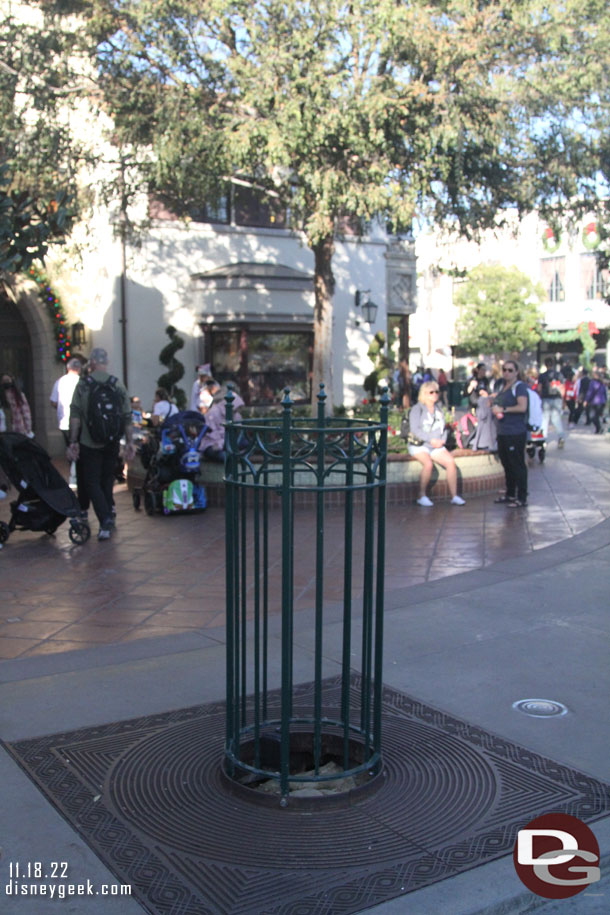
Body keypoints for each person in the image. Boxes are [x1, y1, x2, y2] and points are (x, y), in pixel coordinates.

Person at [66, 348, 135, 540]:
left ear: (92, 363)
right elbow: (127, 416)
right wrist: (130, 442)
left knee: (90, 482)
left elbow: (75, 417)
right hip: (112, 441)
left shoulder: (83, 385)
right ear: (106, 363)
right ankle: (108, 515)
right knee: (106, 479)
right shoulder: (117, 384)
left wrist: (73, 441)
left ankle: (105, 519)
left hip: (90, 442)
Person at [408, 380, 465, 507]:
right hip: (420, 444)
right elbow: (415, 429)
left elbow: (443, 428)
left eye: (436, 392)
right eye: (431, 392)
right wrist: (430, 440)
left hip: (436, 445)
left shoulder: (439, 409)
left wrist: (442, 440)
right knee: (428, 464)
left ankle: (454, 496)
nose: (434, 394)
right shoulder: (417, 409)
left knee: (450, 462)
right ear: (424, 393)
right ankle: (421, 496)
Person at [490, 360, 529, 507]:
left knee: (517, 463)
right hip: (503, 431)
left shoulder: (520, 387)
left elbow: (522, 407)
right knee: (507, 463)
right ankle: (510, 493)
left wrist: (504, 410)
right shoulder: (502, 386)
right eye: (504, 369)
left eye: (510, 370)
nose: (506, 372)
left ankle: (522, 496)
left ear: (517, 372)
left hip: (515, 431)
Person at [50, 357, 83, 487]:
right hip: (79, 421)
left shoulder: (60, 382)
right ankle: (77, 476)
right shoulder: (82, 382)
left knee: (70, 446)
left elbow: (53, 401)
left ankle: (73, 474)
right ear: (79, 368)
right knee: (80, 447)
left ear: (68, 368)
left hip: (64, 421)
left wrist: (59, 408)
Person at [200, 381, 245, 462]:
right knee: (222, 456)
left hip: (227, 442)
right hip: (212, 444)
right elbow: (210, 433)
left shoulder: (236, 415)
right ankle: (234, 456)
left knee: (246, 442)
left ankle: (236, 455)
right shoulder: (213, 412)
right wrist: (223, 442)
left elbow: (239, 431)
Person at [538, 357, 565, 447]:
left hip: (546, 398)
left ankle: (543, 439)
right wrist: (563, 399)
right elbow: (562, 387)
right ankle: (561, 437)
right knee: (556, 419)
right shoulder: (559, 375)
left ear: (545, 365)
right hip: (557, 398)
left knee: (545, 419)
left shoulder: (542, 376)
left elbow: (539, 388)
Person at [583, 368, 607, 434]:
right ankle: (598, 429)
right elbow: (605, 393)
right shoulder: (602, 383)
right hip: (601, 402)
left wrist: (586, 400)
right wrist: (605, 401)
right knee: (596, 416)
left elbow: (590, 392)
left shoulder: (593, 383)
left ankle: (599, 428)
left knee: (592, 416)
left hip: (595, 402)